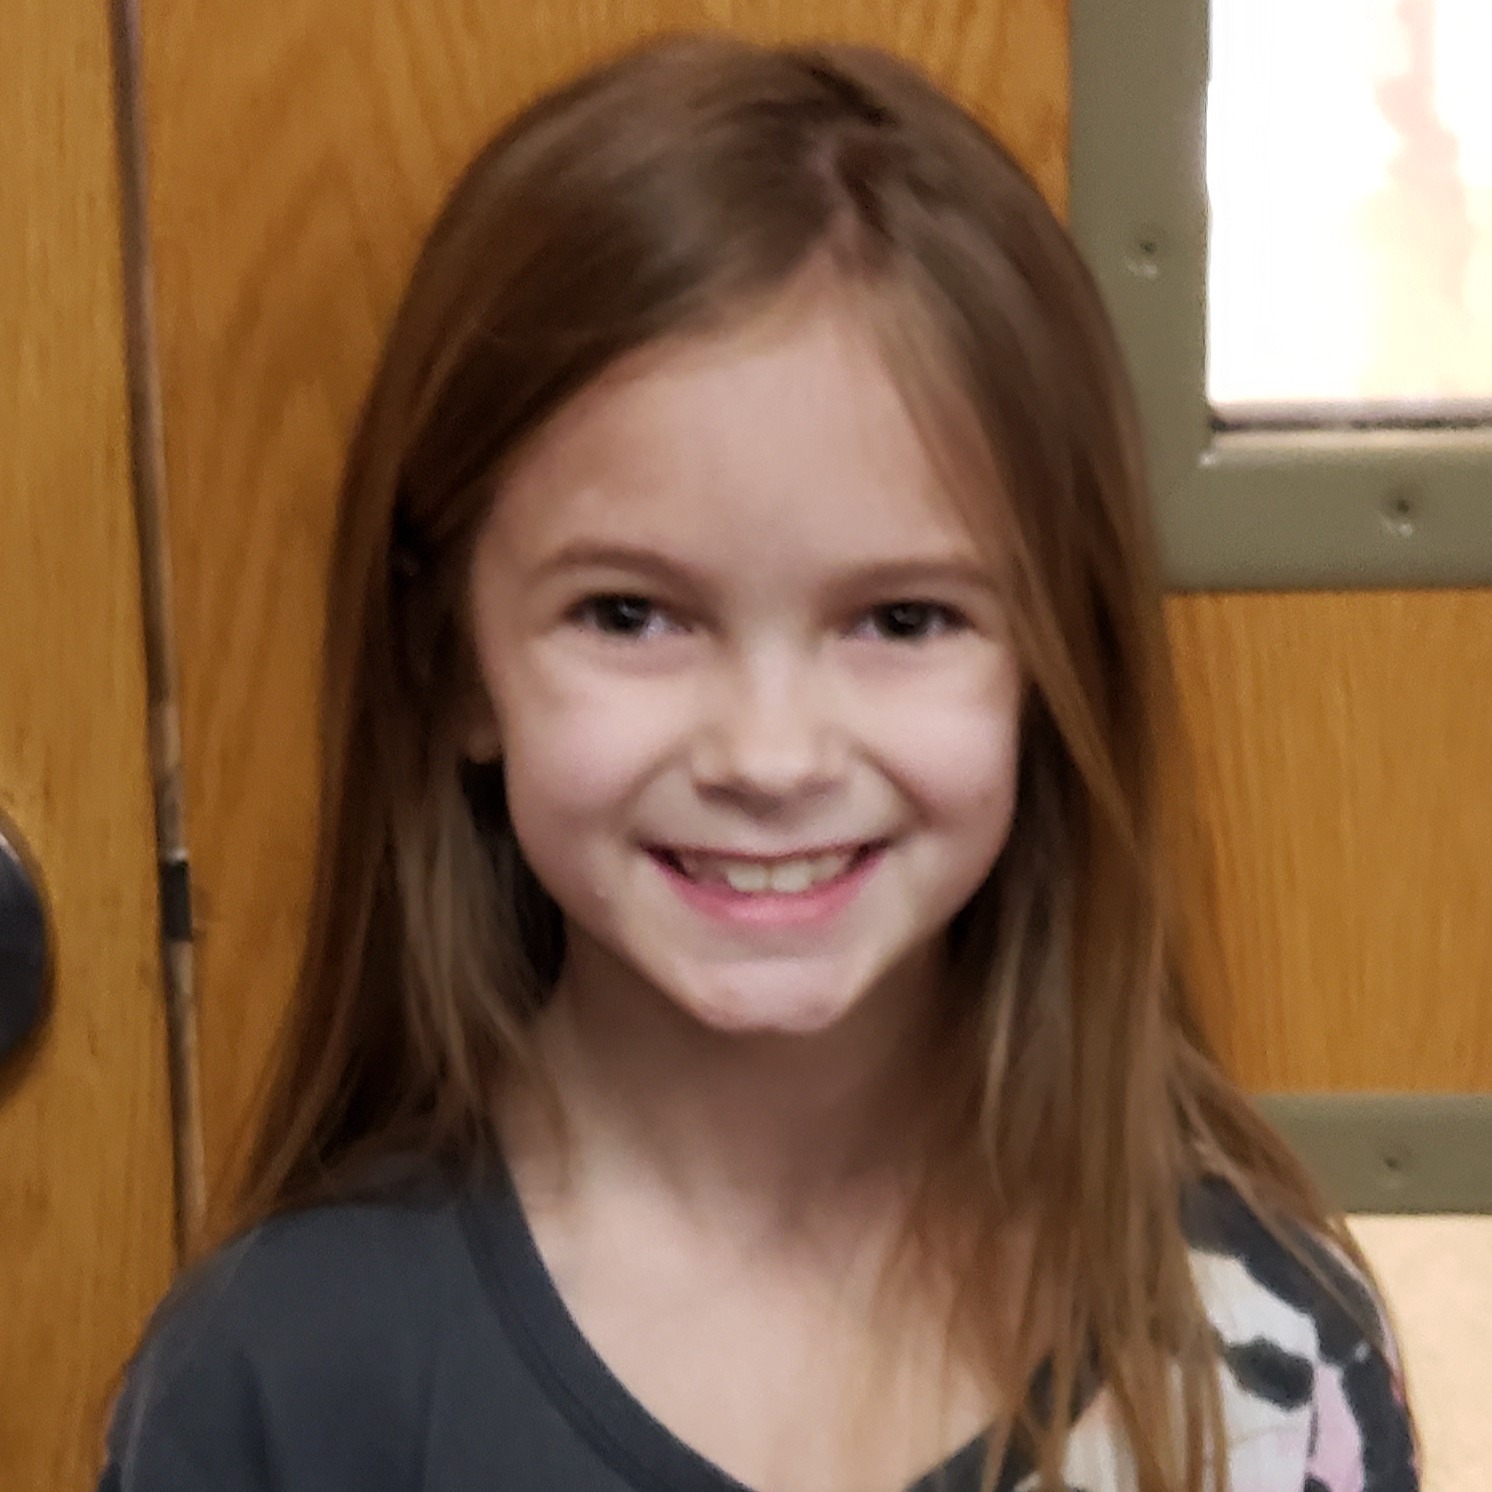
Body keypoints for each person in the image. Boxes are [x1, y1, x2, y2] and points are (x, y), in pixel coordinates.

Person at [98, 33, 1419, 1492]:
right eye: (630, 614)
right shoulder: (280, 1381)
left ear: (1053, 662)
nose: (770, 755)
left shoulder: (1263, 1354)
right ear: (451, 661)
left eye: (904, 618)